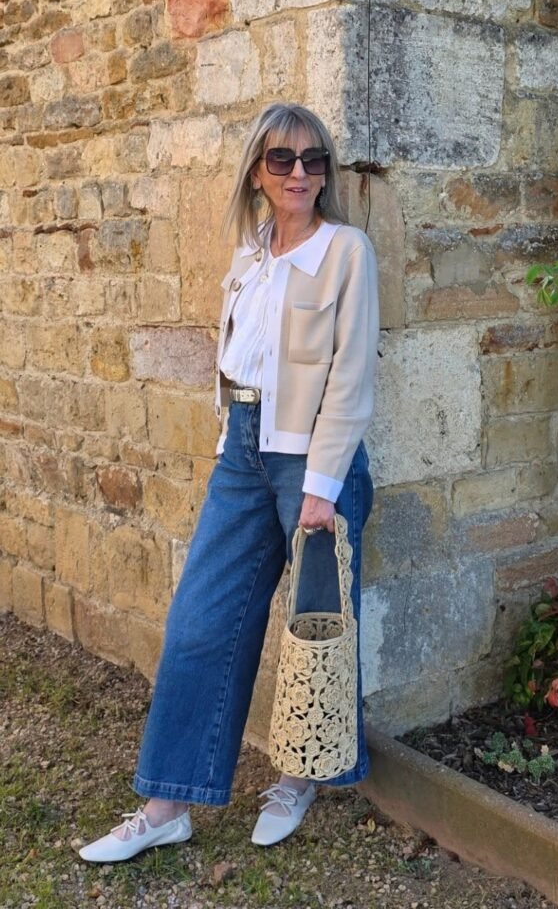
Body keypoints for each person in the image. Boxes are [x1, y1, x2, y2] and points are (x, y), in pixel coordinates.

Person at [78, 102, 380, 863]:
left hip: (314, 460)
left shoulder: (345, 251)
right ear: (257, 171)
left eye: (314, 161)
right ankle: (167, 803)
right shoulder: (248, 255)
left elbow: (348, 377)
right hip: (242, 453)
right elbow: (237, 362)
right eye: (283, 160)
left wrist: (320, 484)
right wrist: (227, 443)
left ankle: (299, 776)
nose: (300, 173)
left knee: (314, 630)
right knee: (201, 621)